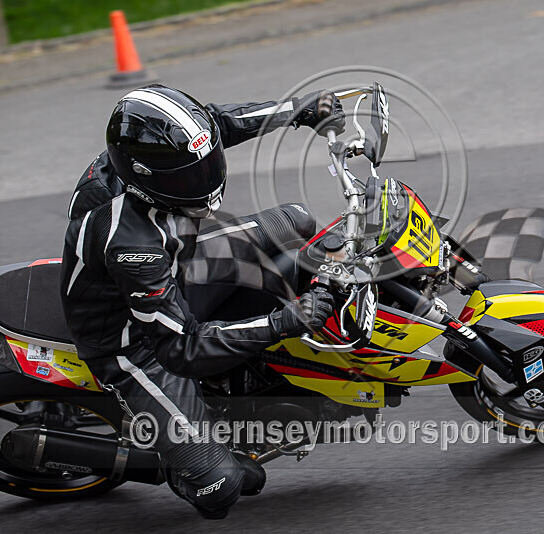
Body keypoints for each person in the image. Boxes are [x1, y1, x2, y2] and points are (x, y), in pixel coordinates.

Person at [59, 84, 344, 519]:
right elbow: (181, 348)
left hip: (179, 264)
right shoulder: (132, 244)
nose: (206, 181)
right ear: (147, 179)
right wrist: (285, 322)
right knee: (223, 486)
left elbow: (217, 123)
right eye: (189, 178)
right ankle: (178, 468)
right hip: (134, 343)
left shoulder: (139, 160)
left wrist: (297, 110)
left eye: (207, 166)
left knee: (297, 221)